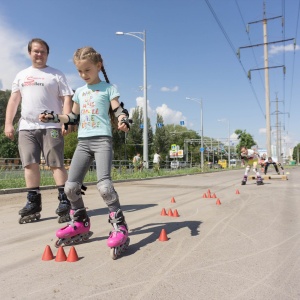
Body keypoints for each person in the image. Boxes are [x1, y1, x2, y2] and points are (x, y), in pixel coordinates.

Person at [39, 46, 131, 259]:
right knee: (70, 187)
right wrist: (53, 117)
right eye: (80, 71)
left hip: (102, 141)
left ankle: (120, 226)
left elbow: (118, 108)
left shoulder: (109, 88)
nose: (83, 75)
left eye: (87, 70)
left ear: (98, 66)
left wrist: (123, 119)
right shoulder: (79, 92)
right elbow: (72, 118)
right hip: (83, 142)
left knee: (105, 187)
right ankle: (80, 221)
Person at [4, 38, 74, 224]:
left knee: (55, 163)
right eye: (35, 51)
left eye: (42, 51)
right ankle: (33, 202)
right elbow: (14, 100)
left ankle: (64, 200)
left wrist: (65, 120)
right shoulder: (21, 75)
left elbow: (67, 98)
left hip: (51, 126)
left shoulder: (56, 74)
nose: (39, 54)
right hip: (27, 126)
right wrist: (8, 123)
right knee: (30, 164)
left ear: (47, 54)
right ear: (29, 53)